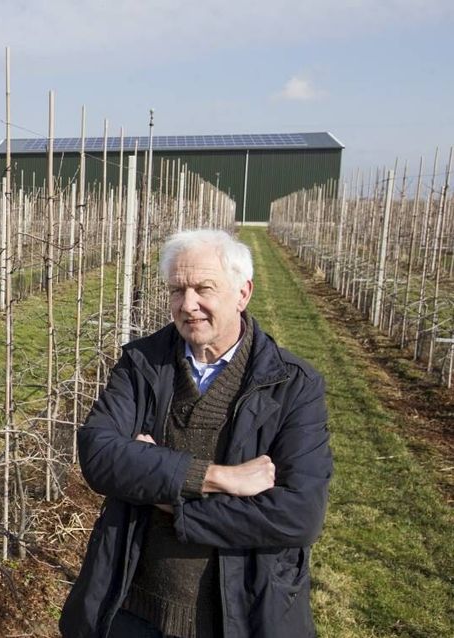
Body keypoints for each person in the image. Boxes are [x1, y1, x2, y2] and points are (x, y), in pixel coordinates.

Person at [60, 229, 332, 638]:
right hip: (133, 609)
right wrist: (219, 477)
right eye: (177, 290)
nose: (188, 305)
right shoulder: (142, 364)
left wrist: (166, 497)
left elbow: (297, 515)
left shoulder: (292, 385)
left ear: (243, 293)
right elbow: (99, 455)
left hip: (241, 615)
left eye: (204, 288)